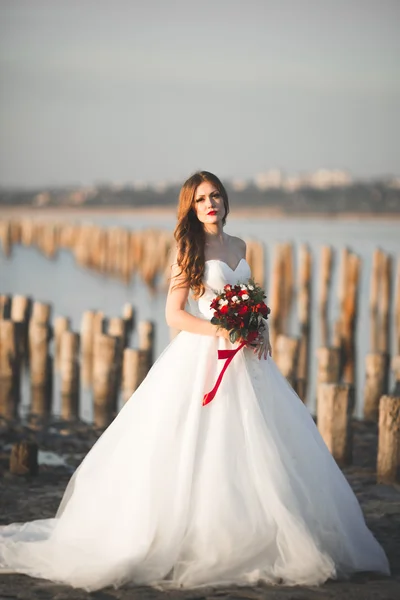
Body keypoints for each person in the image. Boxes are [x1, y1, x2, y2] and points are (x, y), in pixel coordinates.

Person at [0, 171, 390, 592]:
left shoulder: (240, 246)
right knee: (201, 443)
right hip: (205, 354)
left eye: (216, 196)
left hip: (251, 361)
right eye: (202, 198)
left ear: (225, 202)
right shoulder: (189, 248)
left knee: (265, 445)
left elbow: (253, 301)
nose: (211, 203)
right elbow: (175, 314)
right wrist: (222, 330)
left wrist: (260, 330)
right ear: (191, 206)